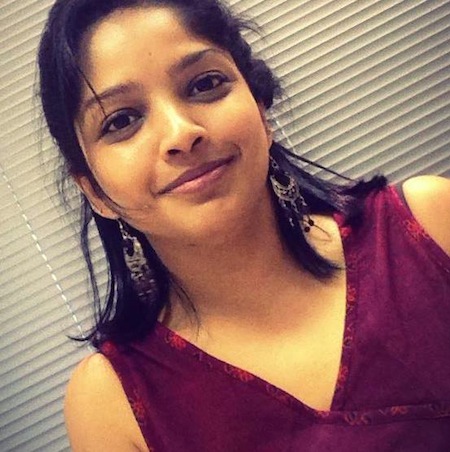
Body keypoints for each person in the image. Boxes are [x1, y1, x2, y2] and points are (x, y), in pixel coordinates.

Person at [38, 0, 450, 450]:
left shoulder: (428, 225)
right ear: (95, 191)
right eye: (121, 120)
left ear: (261, 109)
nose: (181, 133)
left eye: (204, 84)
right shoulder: (110, 404)